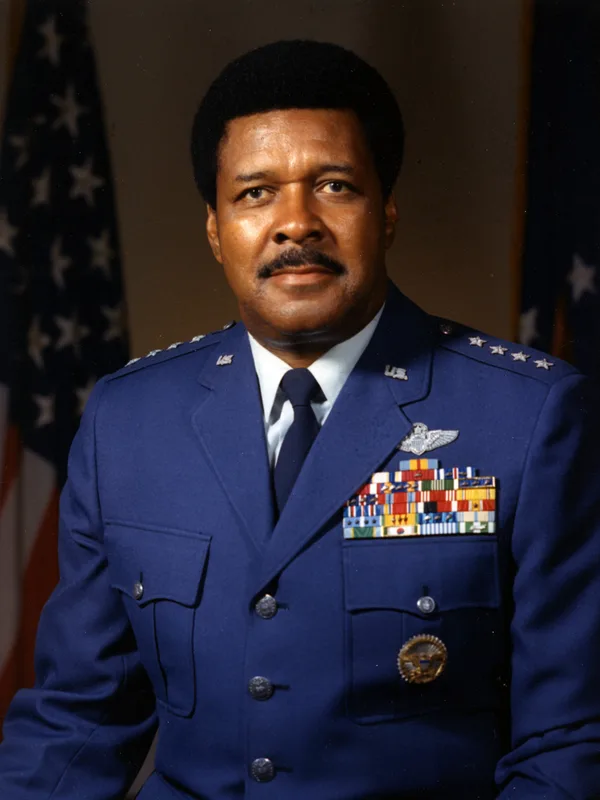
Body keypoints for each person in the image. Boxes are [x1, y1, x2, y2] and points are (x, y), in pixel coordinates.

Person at [0, 39, 599, 800]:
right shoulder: (129, 420)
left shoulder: (529, 417)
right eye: (255, 193)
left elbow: (569, 745)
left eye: (334, 186)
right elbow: (76, 723)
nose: (296, 224)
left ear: (386, 212)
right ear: (215, 229)